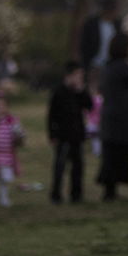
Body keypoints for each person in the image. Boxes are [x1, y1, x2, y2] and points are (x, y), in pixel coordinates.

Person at [97, 32, 128, 201]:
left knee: (111, 153)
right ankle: (111, 190)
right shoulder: (123, 68)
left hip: (110, 116)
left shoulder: (109, 66)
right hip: (120, 118)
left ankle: (110, 189)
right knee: (117, 154)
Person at [47, 60, 91, 204]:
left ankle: (76, 194)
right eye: (78, 75)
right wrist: (52, 134)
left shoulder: (79, 92)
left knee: (78, 166)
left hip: (77, 135)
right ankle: (56, 194)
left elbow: (89, 105)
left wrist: (81, 91)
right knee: (60, 166)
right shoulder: (59, 92)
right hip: (63, 135)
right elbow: (51, 115)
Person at [79, 0, 121, 83]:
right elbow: (84, 44)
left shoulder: (118, 25)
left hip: (111, 65)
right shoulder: (91, 24)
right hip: (95, 64)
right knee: (94, 89)